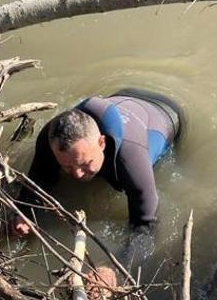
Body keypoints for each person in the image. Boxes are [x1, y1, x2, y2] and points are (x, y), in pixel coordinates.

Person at [12, 88, 183, 237]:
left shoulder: (130, 158)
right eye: (67, 166)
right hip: (123, 95)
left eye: (85, 163)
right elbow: (38, 179)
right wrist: (24, 213)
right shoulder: (50, 138)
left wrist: (113, 268)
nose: (77, 174)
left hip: (167, 112)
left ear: (102, 143)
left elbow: (145, 226)